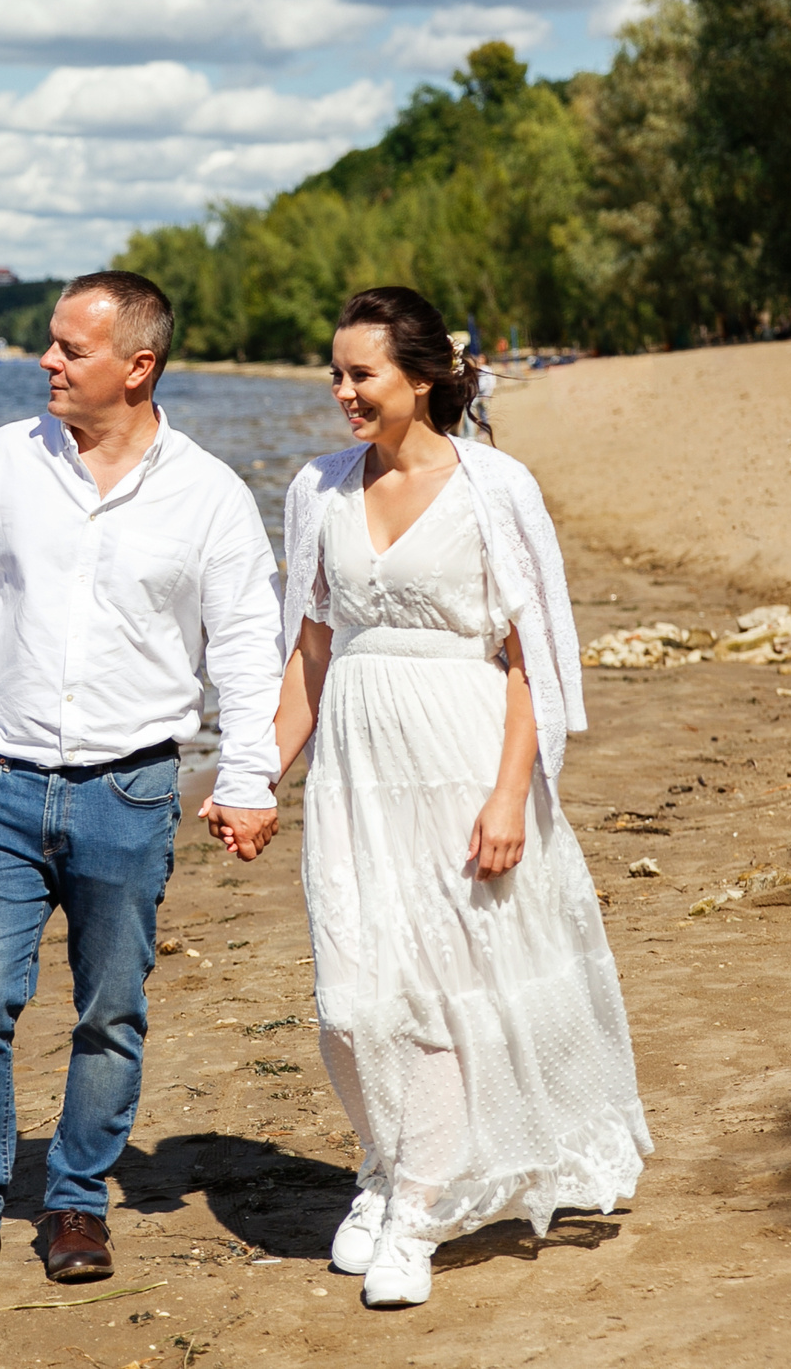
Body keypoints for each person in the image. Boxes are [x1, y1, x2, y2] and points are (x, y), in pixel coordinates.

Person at [0, 271, 285, 1297]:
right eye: (51, 342)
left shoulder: (209, 494)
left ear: (137, 366)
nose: (47, 361)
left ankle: (74, 1203)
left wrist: (249, 776)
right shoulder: (1, 462)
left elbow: (247, 647)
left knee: (111, 1011)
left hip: (129, 790)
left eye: (71, 347)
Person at [268, 286, 649, 1310]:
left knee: (435, 996)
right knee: (350, 1005)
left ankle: (414, 1214)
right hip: (355, 773)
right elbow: (309, 652)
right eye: (336, 373)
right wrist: (257, 775)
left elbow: (532, 658)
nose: (342, 391)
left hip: (463, 758)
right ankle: (384, 1163)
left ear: (423, 375)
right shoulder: (316, 488)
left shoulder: (496, 486)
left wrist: (511, 794)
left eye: (362, 373)